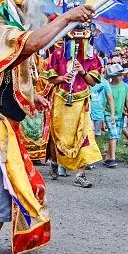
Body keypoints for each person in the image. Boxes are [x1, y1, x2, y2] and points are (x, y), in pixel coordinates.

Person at [0, 0, 93, 254]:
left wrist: (31, 97)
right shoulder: (0, 31)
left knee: (20, 186)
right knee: (0, 190)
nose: (24, 1)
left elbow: (9, 73)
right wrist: (66, 17)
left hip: (1, 126)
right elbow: (34, 44)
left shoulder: (1, 32)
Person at [47, 24, 103, 187]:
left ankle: (81, 174)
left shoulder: (91, 55)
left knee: (85, 135)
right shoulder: (58, 53)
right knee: (58, 133)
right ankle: (55, 164)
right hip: (61, 99)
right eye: (75, 38)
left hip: (81, 101)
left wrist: (82, 72)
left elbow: (93, 82)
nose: (79, 42)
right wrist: (62, 78)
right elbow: (50, 79)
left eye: (82, 38)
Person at [105, 64, 128, 167]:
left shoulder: (125, 86)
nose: (121, 77)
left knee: (117, 136)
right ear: (113, 76)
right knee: (113, 134)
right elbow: (106, 101)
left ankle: (108, 157)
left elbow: (127, 100)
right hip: (109, 113)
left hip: (120, 115)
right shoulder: (108, 87)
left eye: (122, 75)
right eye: (119, 75)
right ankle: (112, 159)